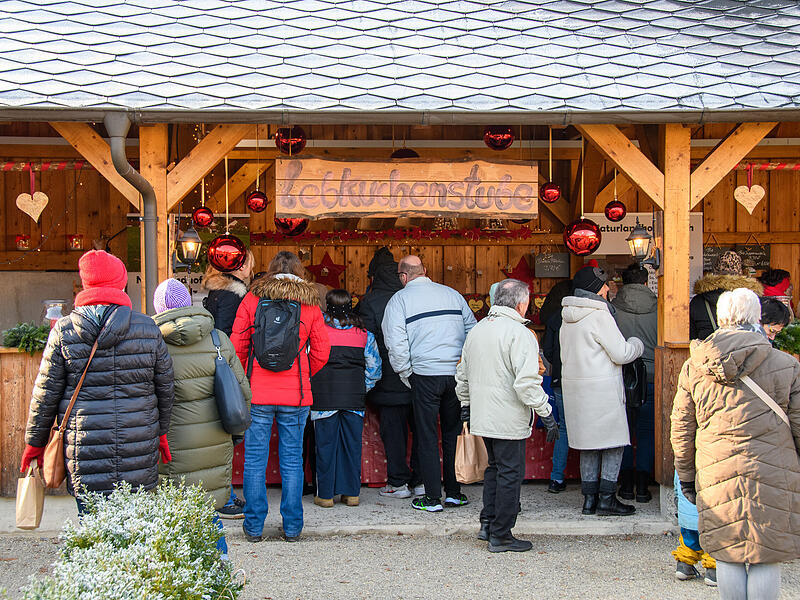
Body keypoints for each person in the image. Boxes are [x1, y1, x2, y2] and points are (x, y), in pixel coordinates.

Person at [21, 250, 174, 514]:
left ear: (86, 283)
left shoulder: (64, 330)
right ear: (121, 282)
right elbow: (166, 388)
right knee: (136, 534)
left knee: (92, 536)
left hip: (86, 447)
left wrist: (35, 442)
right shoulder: (147, 328)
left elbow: (45, 394)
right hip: (137, 441)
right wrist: (161, 432)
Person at [671, 287, 800, 600]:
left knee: (727, 551)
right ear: (756, 317)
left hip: (716, 468)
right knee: (765, 554)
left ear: (722, 317)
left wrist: (686, 476)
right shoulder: (786, 364)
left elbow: (683, 427)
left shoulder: (695, 365)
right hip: (773, 469)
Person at [231, 251, 331, 543]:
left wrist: (248, 378)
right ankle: (292, 527)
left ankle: (253, 527)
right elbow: (322, 353)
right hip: (296, 395)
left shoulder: (252, 299)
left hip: (258, 393)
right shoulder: (310, 304)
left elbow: (238, 348)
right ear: (299, 272)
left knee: (254, 460)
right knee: (291, 461)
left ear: (270, 271)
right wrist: (301, 371)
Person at [456, 279, 559, 553]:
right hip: (508, 416)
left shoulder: (478, 330)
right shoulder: (520, 333)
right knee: (510, 474)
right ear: (522, 303)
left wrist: (466, 405)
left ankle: (488, 524)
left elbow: (462, 375)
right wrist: (546, 412)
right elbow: (527, 383)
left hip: (482, 415)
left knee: (495, 470)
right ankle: (501, 534)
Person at [153, 278, 252, 560]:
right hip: (216, 442)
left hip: (168, 449)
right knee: (209, 515)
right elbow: (242, 394)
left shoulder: (152, 344)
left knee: (171, 518)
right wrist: (233, 437)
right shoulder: (218, 339)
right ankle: (219, 573)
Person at [382, 255, 477, 512]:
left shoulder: (399, 300)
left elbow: (396, 342)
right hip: (455, 374)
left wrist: (406, 373)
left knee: (426, 436)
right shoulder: (452, 295)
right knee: (452, 435)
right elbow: (472, 330)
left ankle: (433, 497)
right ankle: (454, 492)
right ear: (425, 271)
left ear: (403, 277)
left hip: (424, 374)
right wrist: (464, 366)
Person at [560, 265, 643, 516]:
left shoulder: (567, 316)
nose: (608, 288)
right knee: (613, 444)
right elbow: (621, 353)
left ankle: (589, 500)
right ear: (596, 289)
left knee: (589, 445)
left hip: (577, 390)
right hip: (602, 390)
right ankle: (607, 499)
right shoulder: (600, 315)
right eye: (604, 285)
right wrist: (636, 344)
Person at [357, 247, 422, 499]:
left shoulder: (370, 302)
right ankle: (420, 480)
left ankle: (398, 482)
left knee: (393, 434)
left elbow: (368, 341)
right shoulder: (412, 297)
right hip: (417, 377)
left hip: (387, 378)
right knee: (421, 431)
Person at [310, 289, 381, 508]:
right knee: (352, 446)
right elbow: (375, 369)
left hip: (323, 400)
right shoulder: (364, 335)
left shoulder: (317, 333)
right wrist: (361, 388)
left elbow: (307, 363)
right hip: (354, 399)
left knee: (325, 447)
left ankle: (326, 495)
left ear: (327, 306)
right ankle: (352, 494)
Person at [201, 250, 255, 519]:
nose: (248, 267)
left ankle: (222, 494)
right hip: (226, 370)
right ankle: (224, 497)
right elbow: (226, 337)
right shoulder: (235, 296)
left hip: (213, 368)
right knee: (226, 437)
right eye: (247, 263)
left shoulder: (216, 292)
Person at [612, 263, 657, 503]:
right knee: (647, 432)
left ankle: (626, 484)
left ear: (622, 281)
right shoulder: (660, 307)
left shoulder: (612, 309)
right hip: (651, 375)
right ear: (645, 282)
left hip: (621, 376)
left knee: (624, 431)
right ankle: (642, 485)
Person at [541, 279, 573, 494]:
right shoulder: (595, 316)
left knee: (564, 429)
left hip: (561, 379)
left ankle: (556, 477)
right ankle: (595, 484)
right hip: (589, 382)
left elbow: (549, 352)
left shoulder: (554, 319)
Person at [689, 251, 762, 340]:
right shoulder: (752, 300)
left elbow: (692, 335)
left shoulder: (698, 301)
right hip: (744, 350)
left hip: (711, 351)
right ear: (741, 273)